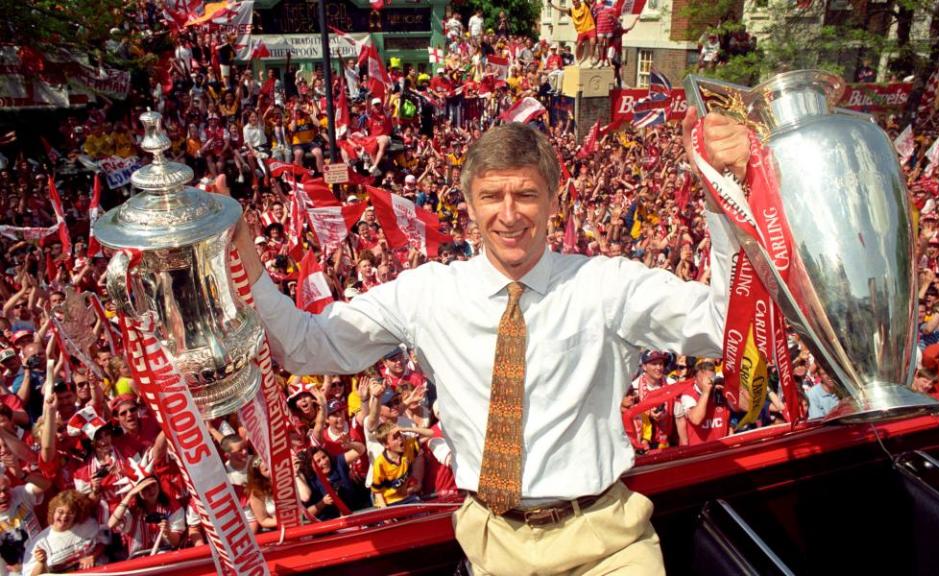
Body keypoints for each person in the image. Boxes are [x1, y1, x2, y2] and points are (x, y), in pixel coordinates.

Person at [224, 109, 749, 574]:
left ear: (553, 199)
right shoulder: (428, 294)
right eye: (491, 196)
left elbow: (724, 323)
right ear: (469, 205)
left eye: (525, 194)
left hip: (607, 547)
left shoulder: (606, 285)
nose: (509, 213)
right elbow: (305, 346)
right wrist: (238, 243)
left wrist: (722, 194)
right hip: (491, 550)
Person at [21, 490, 108, 575]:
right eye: (60, 512)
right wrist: (41, 562)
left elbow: (104, 541)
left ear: (77, 514)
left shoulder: (89, 524)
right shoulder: (39, 544)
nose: (64, 517)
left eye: (70, 513)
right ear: (53, 512)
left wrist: (93, 556)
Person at [548, 0, 596, 65]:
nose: (575, 3)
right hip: (581, 30)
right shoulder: (572, 10)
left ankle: (591, 58)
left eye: (576, 1)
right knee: (578, 45)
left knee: (592, 42)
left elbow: (588, 2)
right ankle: (578, 60)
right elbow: (561, 9)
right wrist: (552, 5)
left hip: (590, 27)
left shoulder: (585, 5)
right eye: (573, 2)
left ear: (579, 1)